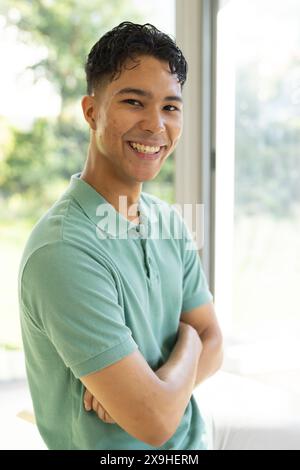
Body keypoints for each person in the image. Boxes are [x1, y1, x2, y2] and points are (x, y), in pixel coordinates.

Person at [18, 21, 223, 450]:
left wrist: (159, 386)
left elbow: (214, 342)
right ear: (92, 111)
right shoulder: (64, 250)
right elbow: (153, 423)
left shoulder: (169, 222)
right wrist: (189, 343)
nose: (156, 125)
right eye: (134, 101)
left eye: (171, 107)